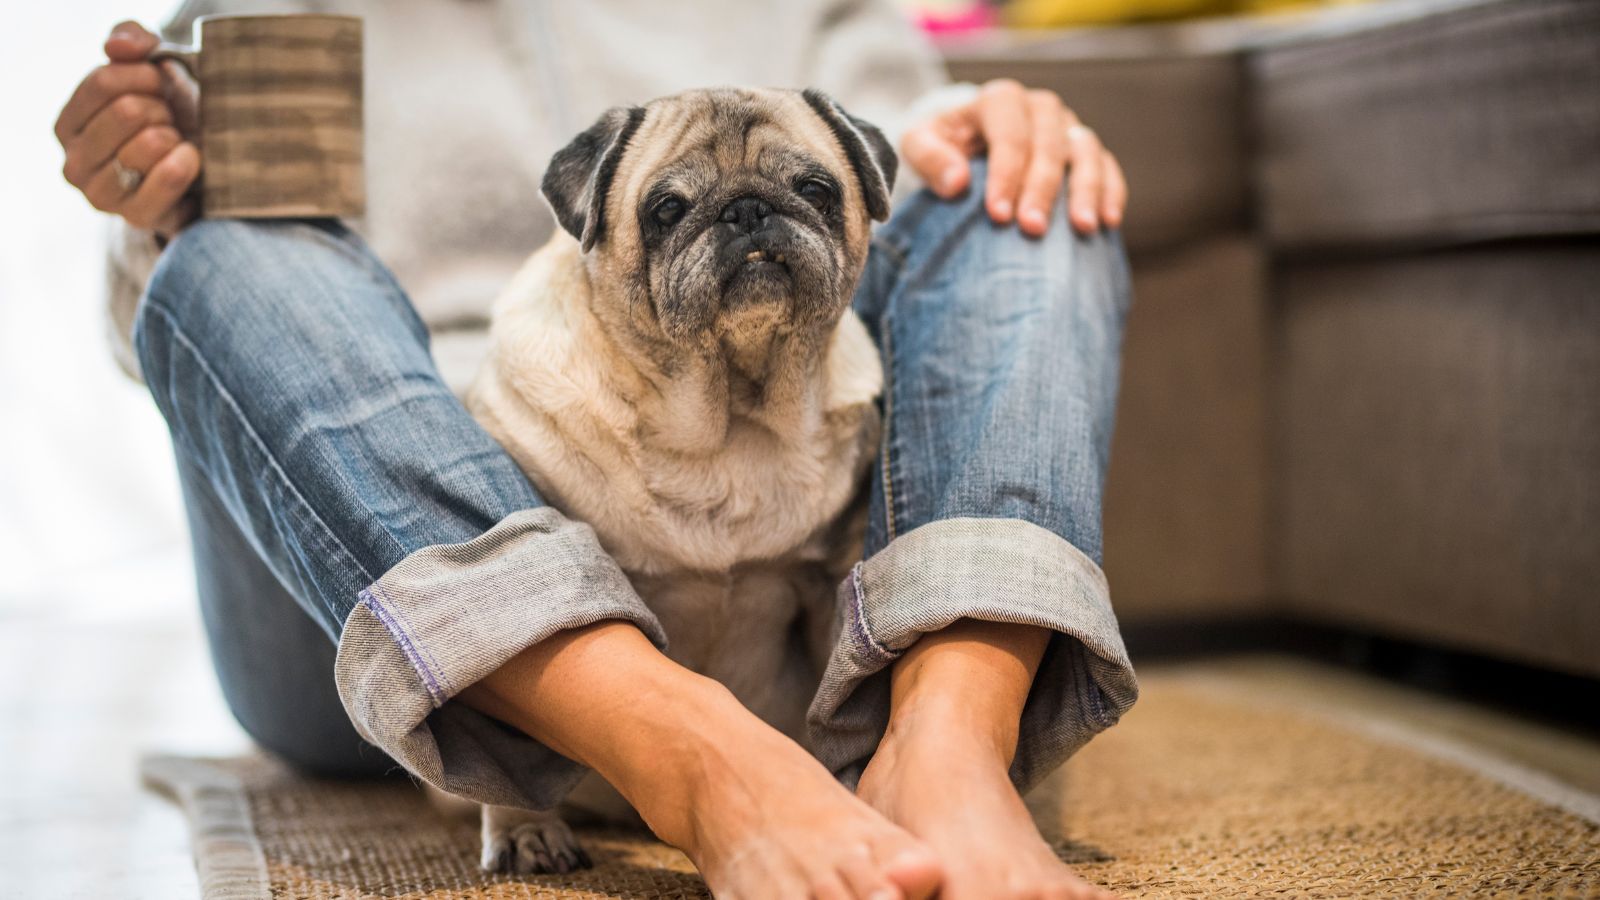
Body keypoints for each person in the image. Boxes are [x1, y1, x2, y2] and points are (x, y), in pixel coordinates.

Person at [56, 3, 1137, 897]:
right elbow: (194, 337)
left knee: (1024, 193)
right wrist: (155, 211)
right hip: (394, 563)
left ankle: (943, 744)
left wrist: (982, 122)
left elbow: (906, 155)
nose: (747, 225)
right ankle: (690, 757)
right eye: (676, 212)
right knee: (221, 257)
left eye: (796, 196)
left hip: (792, 467)